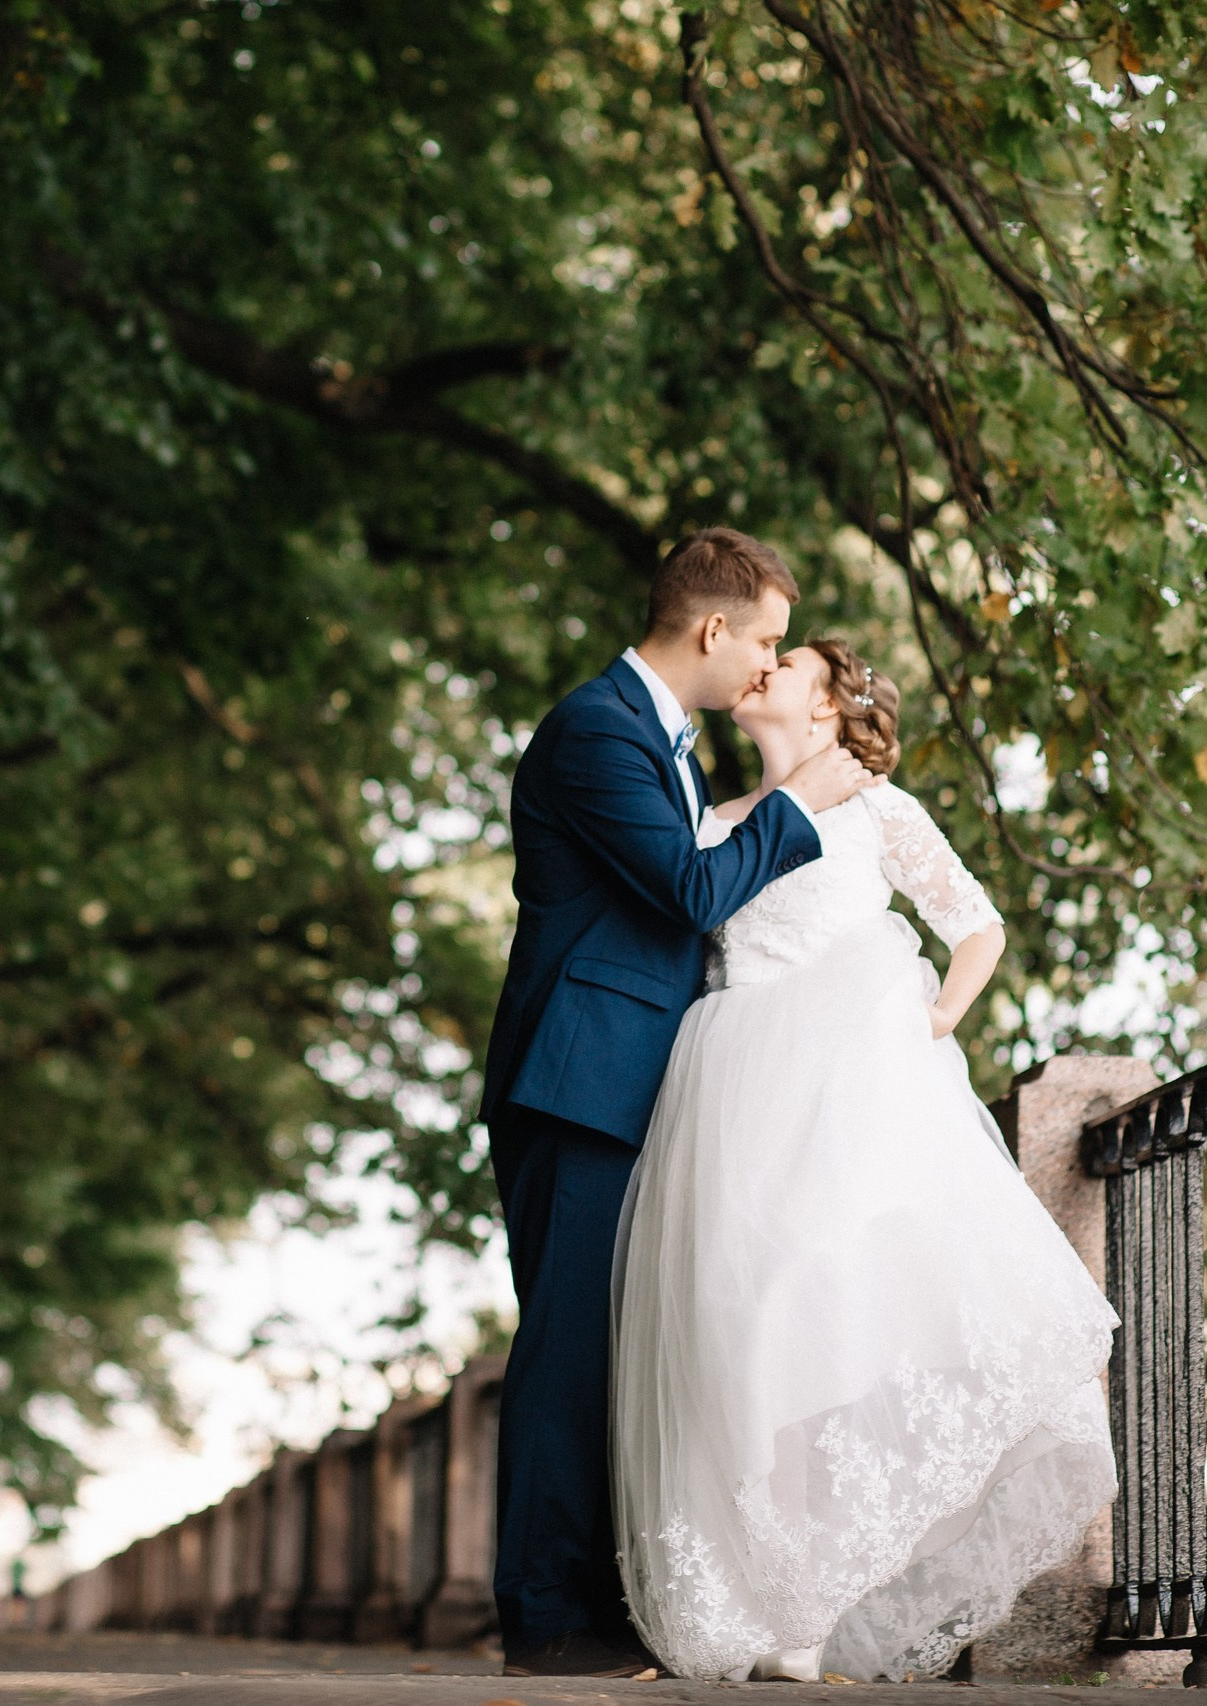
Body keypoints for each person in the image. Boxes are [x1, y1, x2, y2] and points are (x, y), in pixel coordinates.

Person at [612, 641, 1116, 1682]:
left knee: (830, 1312)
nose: (761, 666)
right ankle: (765, 1592)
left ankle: (812, 1606)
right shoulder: (714, 825)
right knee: (738, 1331)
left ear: (836, 705)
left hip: (847, 1085)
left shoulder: (881, 810)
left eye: (786, 658)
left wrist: (932, 1017)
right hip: (733, 1088)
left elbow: (975, 926)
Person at [481, 529, 879, 1678]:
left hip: (630, 1081)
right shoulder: (596, 730)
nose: (765, 664)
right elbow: (691, 889)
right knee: (567, 1348)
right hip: (579, 1078)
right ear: (713, 629)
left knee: (614, 1351)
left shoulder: (661, 740)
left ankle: (605, 1604)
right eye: (760, 638)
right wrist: (802, 792)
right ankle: (549, 1618)